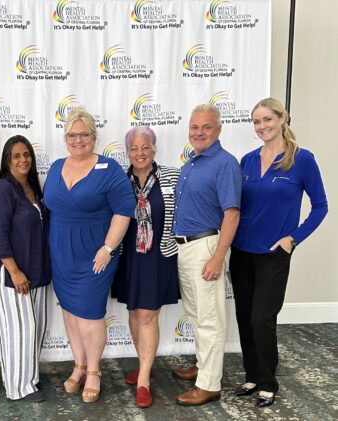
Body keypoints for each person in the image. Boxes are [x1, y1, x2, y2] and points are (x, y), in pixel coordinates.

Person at [229, 98, 328, 407]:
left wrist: (293, 238)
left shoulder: (302, 159)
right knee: (244, 316)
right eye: (256, 122)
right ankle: (252, 375)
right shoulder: (246, 160)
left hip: (273, 253)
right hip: (241, 251)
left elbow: (321, 206)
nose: (261, 127)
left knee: (262, 318)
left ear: (282, 118)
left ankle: (268, 380)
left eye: (267, 120)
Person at [43, 108, 136, 403]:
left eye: (84, 134)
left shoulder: (109, 169)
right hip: (61, 253)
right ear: (65, 138)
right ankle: (79, 364)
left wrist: (108, 249)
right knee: (70, 313)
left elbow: (124, 213)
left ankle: (94, 371)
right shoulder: (57, 167)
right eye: (72, 134)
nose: (78, 140)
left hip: (96, 254)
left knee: (89, 315)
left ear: (94, 137)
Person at [172, 104, 242, 406]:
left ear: (219, 130)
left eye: (206, 127)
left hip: (207, 247)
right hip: (185, 247)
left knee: (210, 318)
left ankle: (210, 384)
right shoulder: (191, 162)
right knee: (198, 314)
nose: (199, 133)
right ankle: (204, 367)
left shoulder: (225, 163)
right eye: (195, 127)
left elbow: (232, 214)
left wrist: (217, 258)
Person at [112, 126, 180, 408]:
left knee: (148, 315)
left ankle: (144, 381)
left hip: (158, 255)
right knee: (133, 311)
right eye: (133, 148)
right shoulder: (119, 180)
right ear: (127, 152)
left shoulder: (172, 176)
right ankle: (143, 365)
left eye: (145, 147)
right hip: (129, 256)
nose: (139, 153)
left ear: (154, 148)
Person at [0, 135, 51, 402]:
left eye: (27, 155)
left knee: (34, 329)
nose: (23, 160)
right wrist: (14, 271)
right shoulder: (2, 189)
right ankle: (17, 388)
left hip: (36, 271)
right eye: (16, 156)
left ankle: (29, 378)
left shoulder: (34, 187)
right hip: (12, 274)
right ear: (7, 160)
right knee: (18, 331)